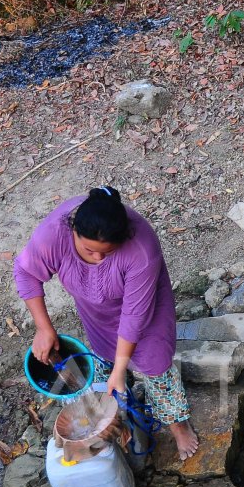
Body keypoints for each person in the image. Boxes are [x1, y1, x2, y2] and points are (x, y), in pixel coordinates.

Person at [14, 187, 200, 459]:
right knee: (104, 358)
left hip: (145, 311)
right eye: (89, 251)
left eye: (107, 253)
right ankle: (118, 416)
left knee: (154, 364)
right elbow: (26, 271)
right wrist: (44, 328)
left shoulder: (141, 249)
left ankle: (178, 425)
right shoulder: (55, 233)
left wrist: (122, 366)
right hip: (95, 310)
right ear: (73, 232)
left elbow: (135, 316)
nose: (98, 259)